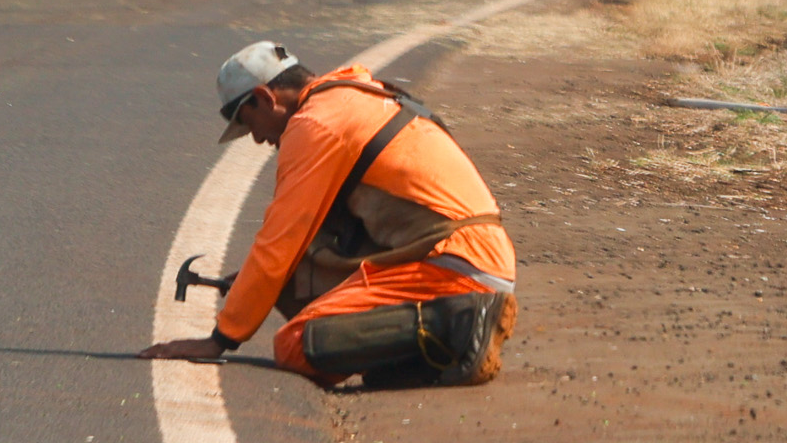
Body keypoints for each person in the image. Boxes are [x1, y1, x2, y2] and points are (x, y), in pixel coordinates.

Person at [140, 41, 518, 387]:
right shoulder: (353, 95)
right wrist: (257, 285)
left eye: (248, 123)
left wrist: (220, 339)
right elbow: (307, 244)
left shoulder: (314, 126)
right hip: (472, 255)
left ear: (264, 97)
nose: (256, 138)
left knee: (296, 346)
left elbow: (280, 241)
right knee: (295, 284)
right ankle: (440, 350)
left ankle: (458, 323)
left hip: (458, 264)